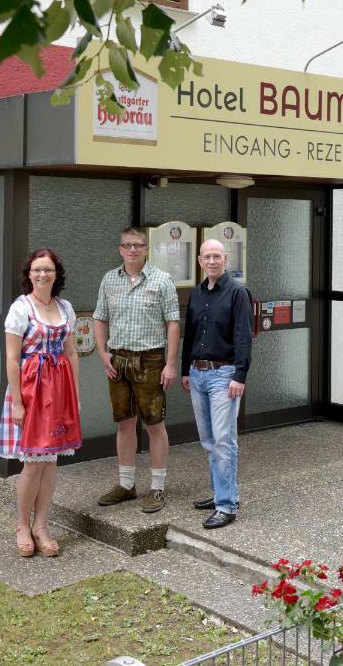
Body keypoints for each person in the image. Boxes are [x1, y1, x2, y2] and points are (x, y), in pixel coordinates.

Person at [0, 248, 82, 557]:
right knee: (33, 463)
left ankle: (42, 524)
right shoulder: (21, 309)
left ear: (56, 274)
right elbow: (11, 358)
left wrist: (76, 396)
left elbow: (71, 354)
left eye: (47, 269)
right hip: (32, 389)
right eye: (37, 270)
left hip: (59, 390)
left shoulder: (64, 307)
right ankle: (22, 524)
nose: (42, 274)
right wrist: (17, 402)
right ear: (29, 274)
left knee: (51, 461)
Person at [93, 227, 180, 513]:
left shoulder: (162, 280)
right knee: (124, 423)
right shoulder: (109, 279)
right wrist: (103, 352)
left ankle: (157, 488)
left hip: (151, 360)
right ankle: (126, 485)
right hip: (117, 360)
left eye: (138, 245)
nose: (132, 250)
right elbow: (100, 318)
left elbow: (173, 324)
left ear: (146, 249)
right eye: (127, 245)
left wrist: (170, 363)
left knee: (154, 424)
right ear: (120, 249)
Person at [181, 239, 252, 529]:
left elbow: (244, 337)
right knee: (209, 440)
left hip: (225, 375)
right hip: (198, 374)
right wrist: (186, 369)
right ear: (199, 261)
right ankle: (221, 493)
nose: (211, 261)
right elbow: (191, 331)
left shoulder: (237, 293)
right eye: (206, 257)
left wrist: (240, 376)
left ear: (225, 259)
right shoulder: (197, 293)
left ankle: (226, 506)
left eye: (217, 256)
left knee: (224, 440)